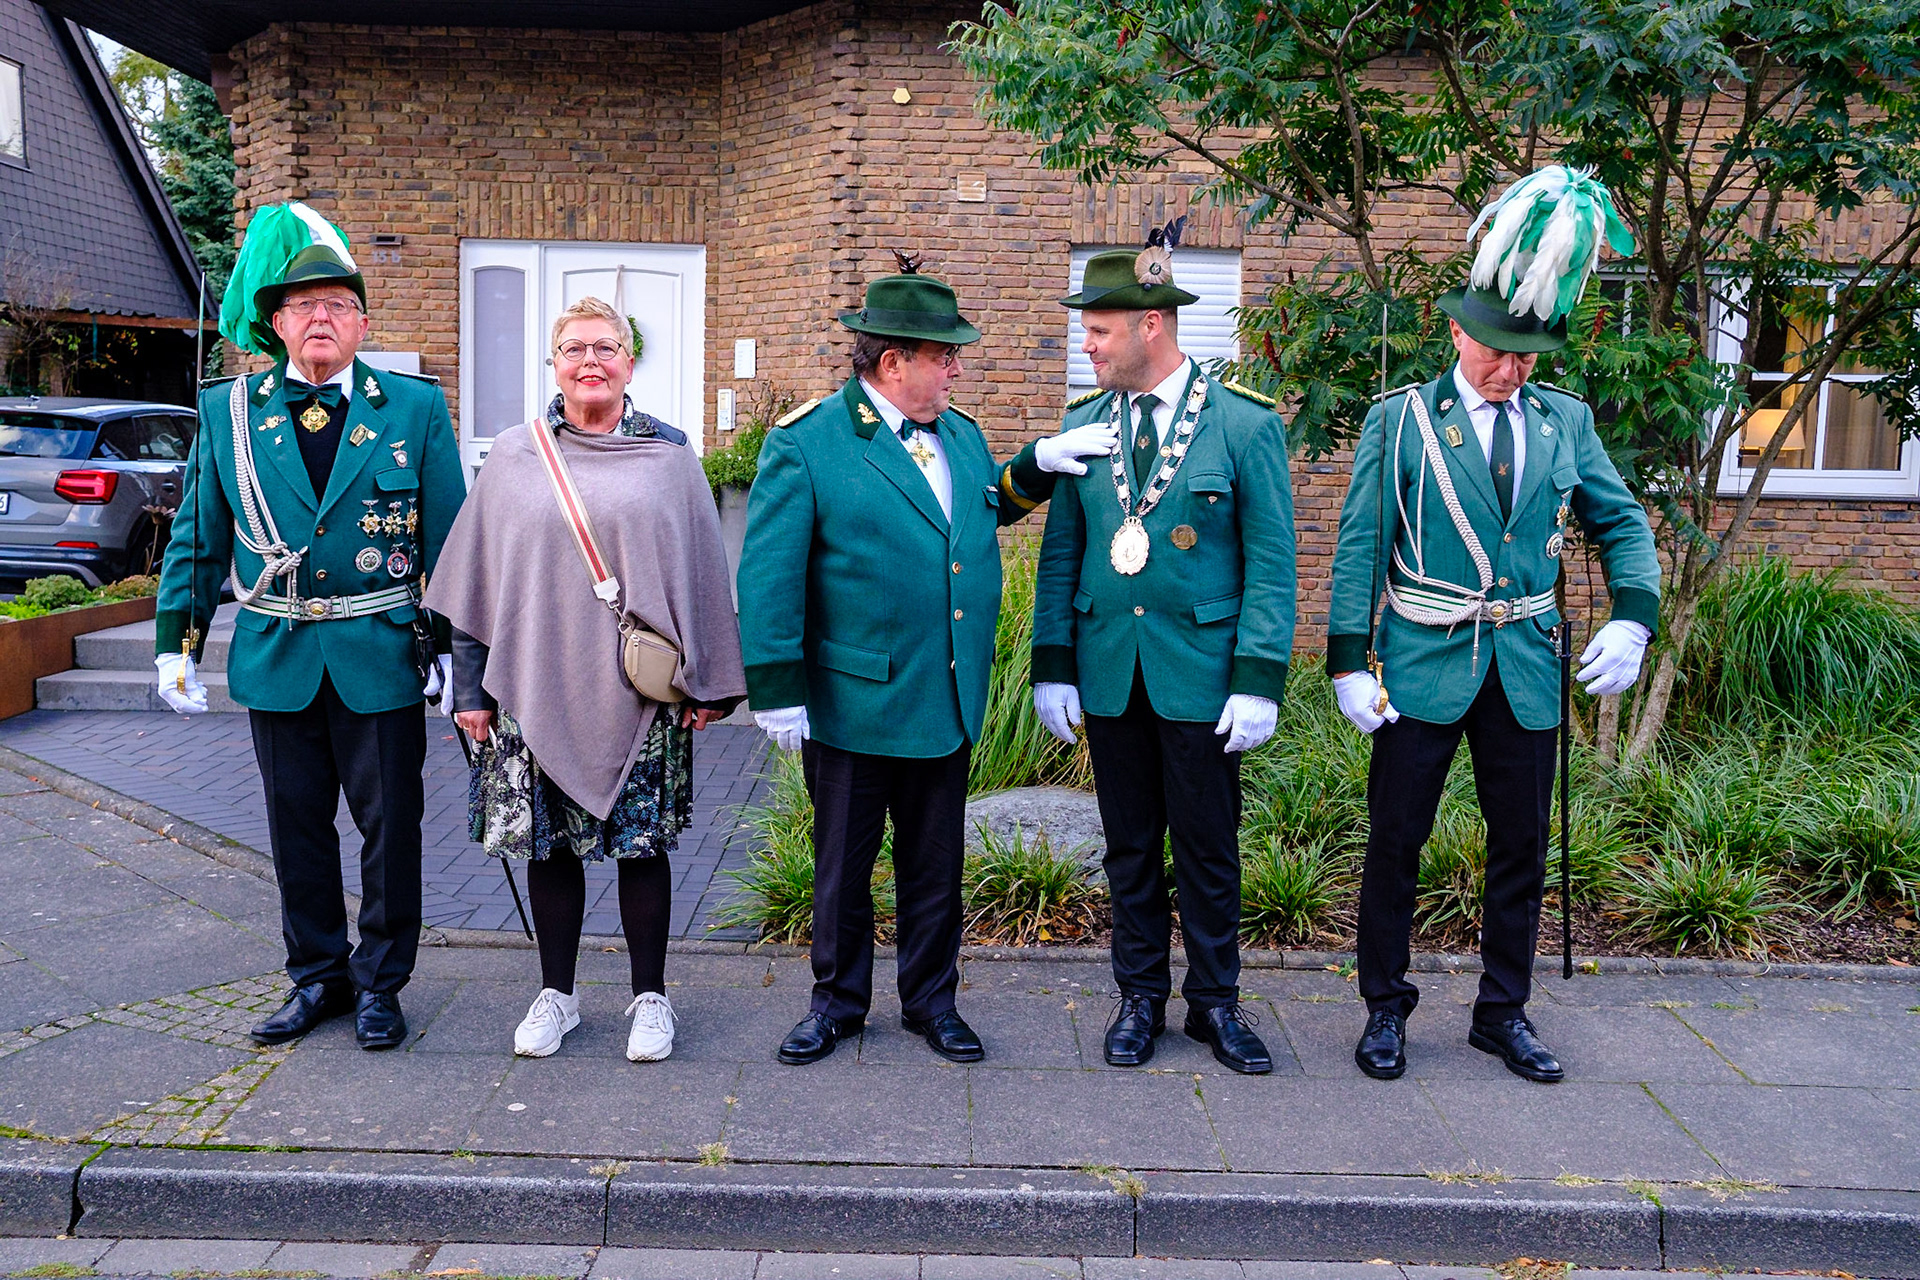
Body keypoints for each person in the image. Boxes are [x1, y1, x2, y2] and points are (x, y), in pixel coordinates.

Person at [1326, 167, 1661, 1084]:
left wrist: (1634, 616)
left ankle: (1501, 1012)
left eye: (1528, 356)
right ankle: (1385, 1009)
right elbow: (1361, 548)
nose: (1512, 371)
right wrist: (1348, 662)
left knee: (1520, 849)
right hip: (1422, 662)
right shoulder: (1401, 422)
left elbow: (1622, 523)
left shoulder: (1565, 423)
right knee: (1397, 843)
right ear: (1458, 332)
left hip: (1525, 663)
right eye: (1499, 352)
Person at [738, 256, 1115, 1066]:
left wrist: (1038, 465)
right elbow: (768, 574)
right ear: (892, 361)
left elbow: (986, 508)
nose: (957, 367)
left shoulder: (965, 436)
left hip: (945, 696)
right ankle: (836, 1005)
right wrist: (776, 685)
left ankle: (931, 1003)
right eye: (945, 355)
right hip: (853, 699)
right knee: (842, 866)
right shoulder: (809, 443)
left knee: (934, 865)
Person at [154, 201, 466, 1050]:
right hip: (279, 651)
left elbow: (454, 542)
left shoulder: (411, 407)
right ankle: (317, 977)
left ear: (361, 322)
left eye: (336, 304)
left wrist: (456, 657)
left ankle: (382, 984)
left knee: (389, 830)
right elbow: (198, 536)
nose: (320, 317)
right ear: (276, 322)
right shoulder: (229, 413)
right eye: (303, 306)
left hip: (380, 653)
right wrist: (173, 645)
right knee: (296, 829)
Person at [424, 297, 745, 1063]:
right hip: (528, 687)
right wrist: (469, 691)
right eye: (573, 349)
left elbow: (703, 576)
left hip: (641, 695)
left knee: (642, 849)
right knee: (547, 850)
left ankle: (651, 1000)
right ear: (555, 365)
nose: (590, 361)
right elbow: (476, 583)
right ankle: (557, 996)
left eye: (605, 347)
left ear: (631, 362)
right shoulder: (513, 455)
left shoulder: (669, 457)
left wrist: (709, 683)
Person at [1031, 230, 1298, 1075]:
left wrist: (1258, 679)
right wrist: (1052, 662)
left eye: (1099, 330)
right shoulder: (1083, 425)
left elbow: (1273, 563)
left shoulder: (1243, 424)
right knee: (1130, 845)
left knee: (1210, 848)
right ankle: (1140, 996)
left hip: (1203, 676)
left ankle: (1215, 1003)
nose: (1087, 344)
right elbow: (1062, 554)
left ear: (1152, 324)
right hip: (1113, 667)